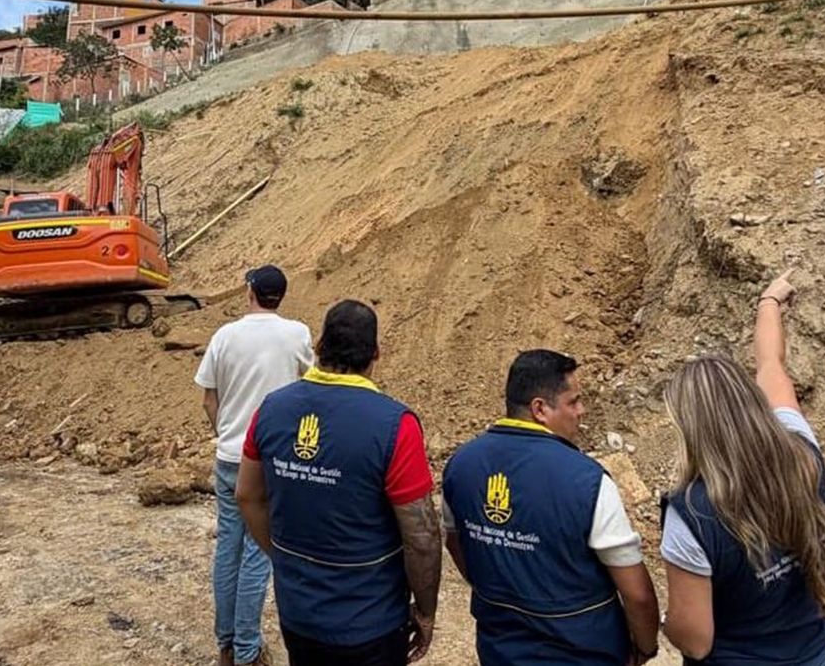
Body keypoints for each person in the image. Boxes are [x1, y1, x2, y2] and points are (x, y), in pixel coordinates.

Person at [236, 300, 441, 666]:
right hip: (372, 622)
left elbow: (248, 497)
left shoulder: (270, 409)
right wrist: (425, 611)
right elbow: (421, 536)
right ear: (376, 353)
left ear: (317, 346)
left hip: (298, 614)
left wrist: (286, 559)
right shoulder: (395, 425)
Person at [659, 270, 825, 666]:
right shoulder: (801, 453)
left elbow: (695, 641)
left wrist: (665, 623)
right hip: (820, 655)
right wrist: (769, 302)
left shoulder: (690, 513)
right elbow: (770, 364)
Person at [442, 349, 661, 666]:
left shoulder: (460, 466)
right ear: (540, 409)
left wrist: (494, 589)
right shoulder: (588, 480)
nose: (581, 411)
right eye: (573, 401)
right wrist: (645, 647)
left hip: (500, 650)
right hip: (584, 653)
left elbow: (454, 541)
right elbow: (637, 594)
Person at [194, 265, 314, 666]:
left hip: (230, 458)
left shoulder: (224, 336)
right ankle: (247, 650)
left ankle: (227, 644)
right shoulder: (296, 333)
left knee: (228, 549)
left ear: (249, 292)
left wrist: (227, 432)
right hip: (270, 463)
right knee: (259, 553)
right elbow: (311, 387)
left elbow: (209, 399)